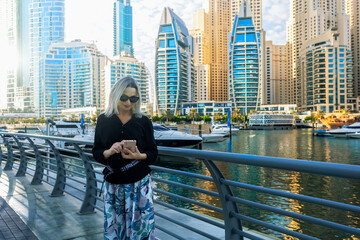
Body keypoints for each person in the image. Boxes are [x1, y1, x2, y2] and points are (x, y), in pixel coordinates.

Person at [92, 76, 158, 240]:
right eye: (124, 97)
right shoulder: (103, 120)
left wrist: (139, 155)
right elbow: (96, 151)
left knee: (141, 230)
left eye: (133, 98)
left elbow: (153, 152)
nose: (129, 102)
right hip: (114, 185)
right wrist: (108, 152)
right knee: (116, 231)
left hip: (139, 183)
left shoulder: (143, 121)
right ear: (115, 96)